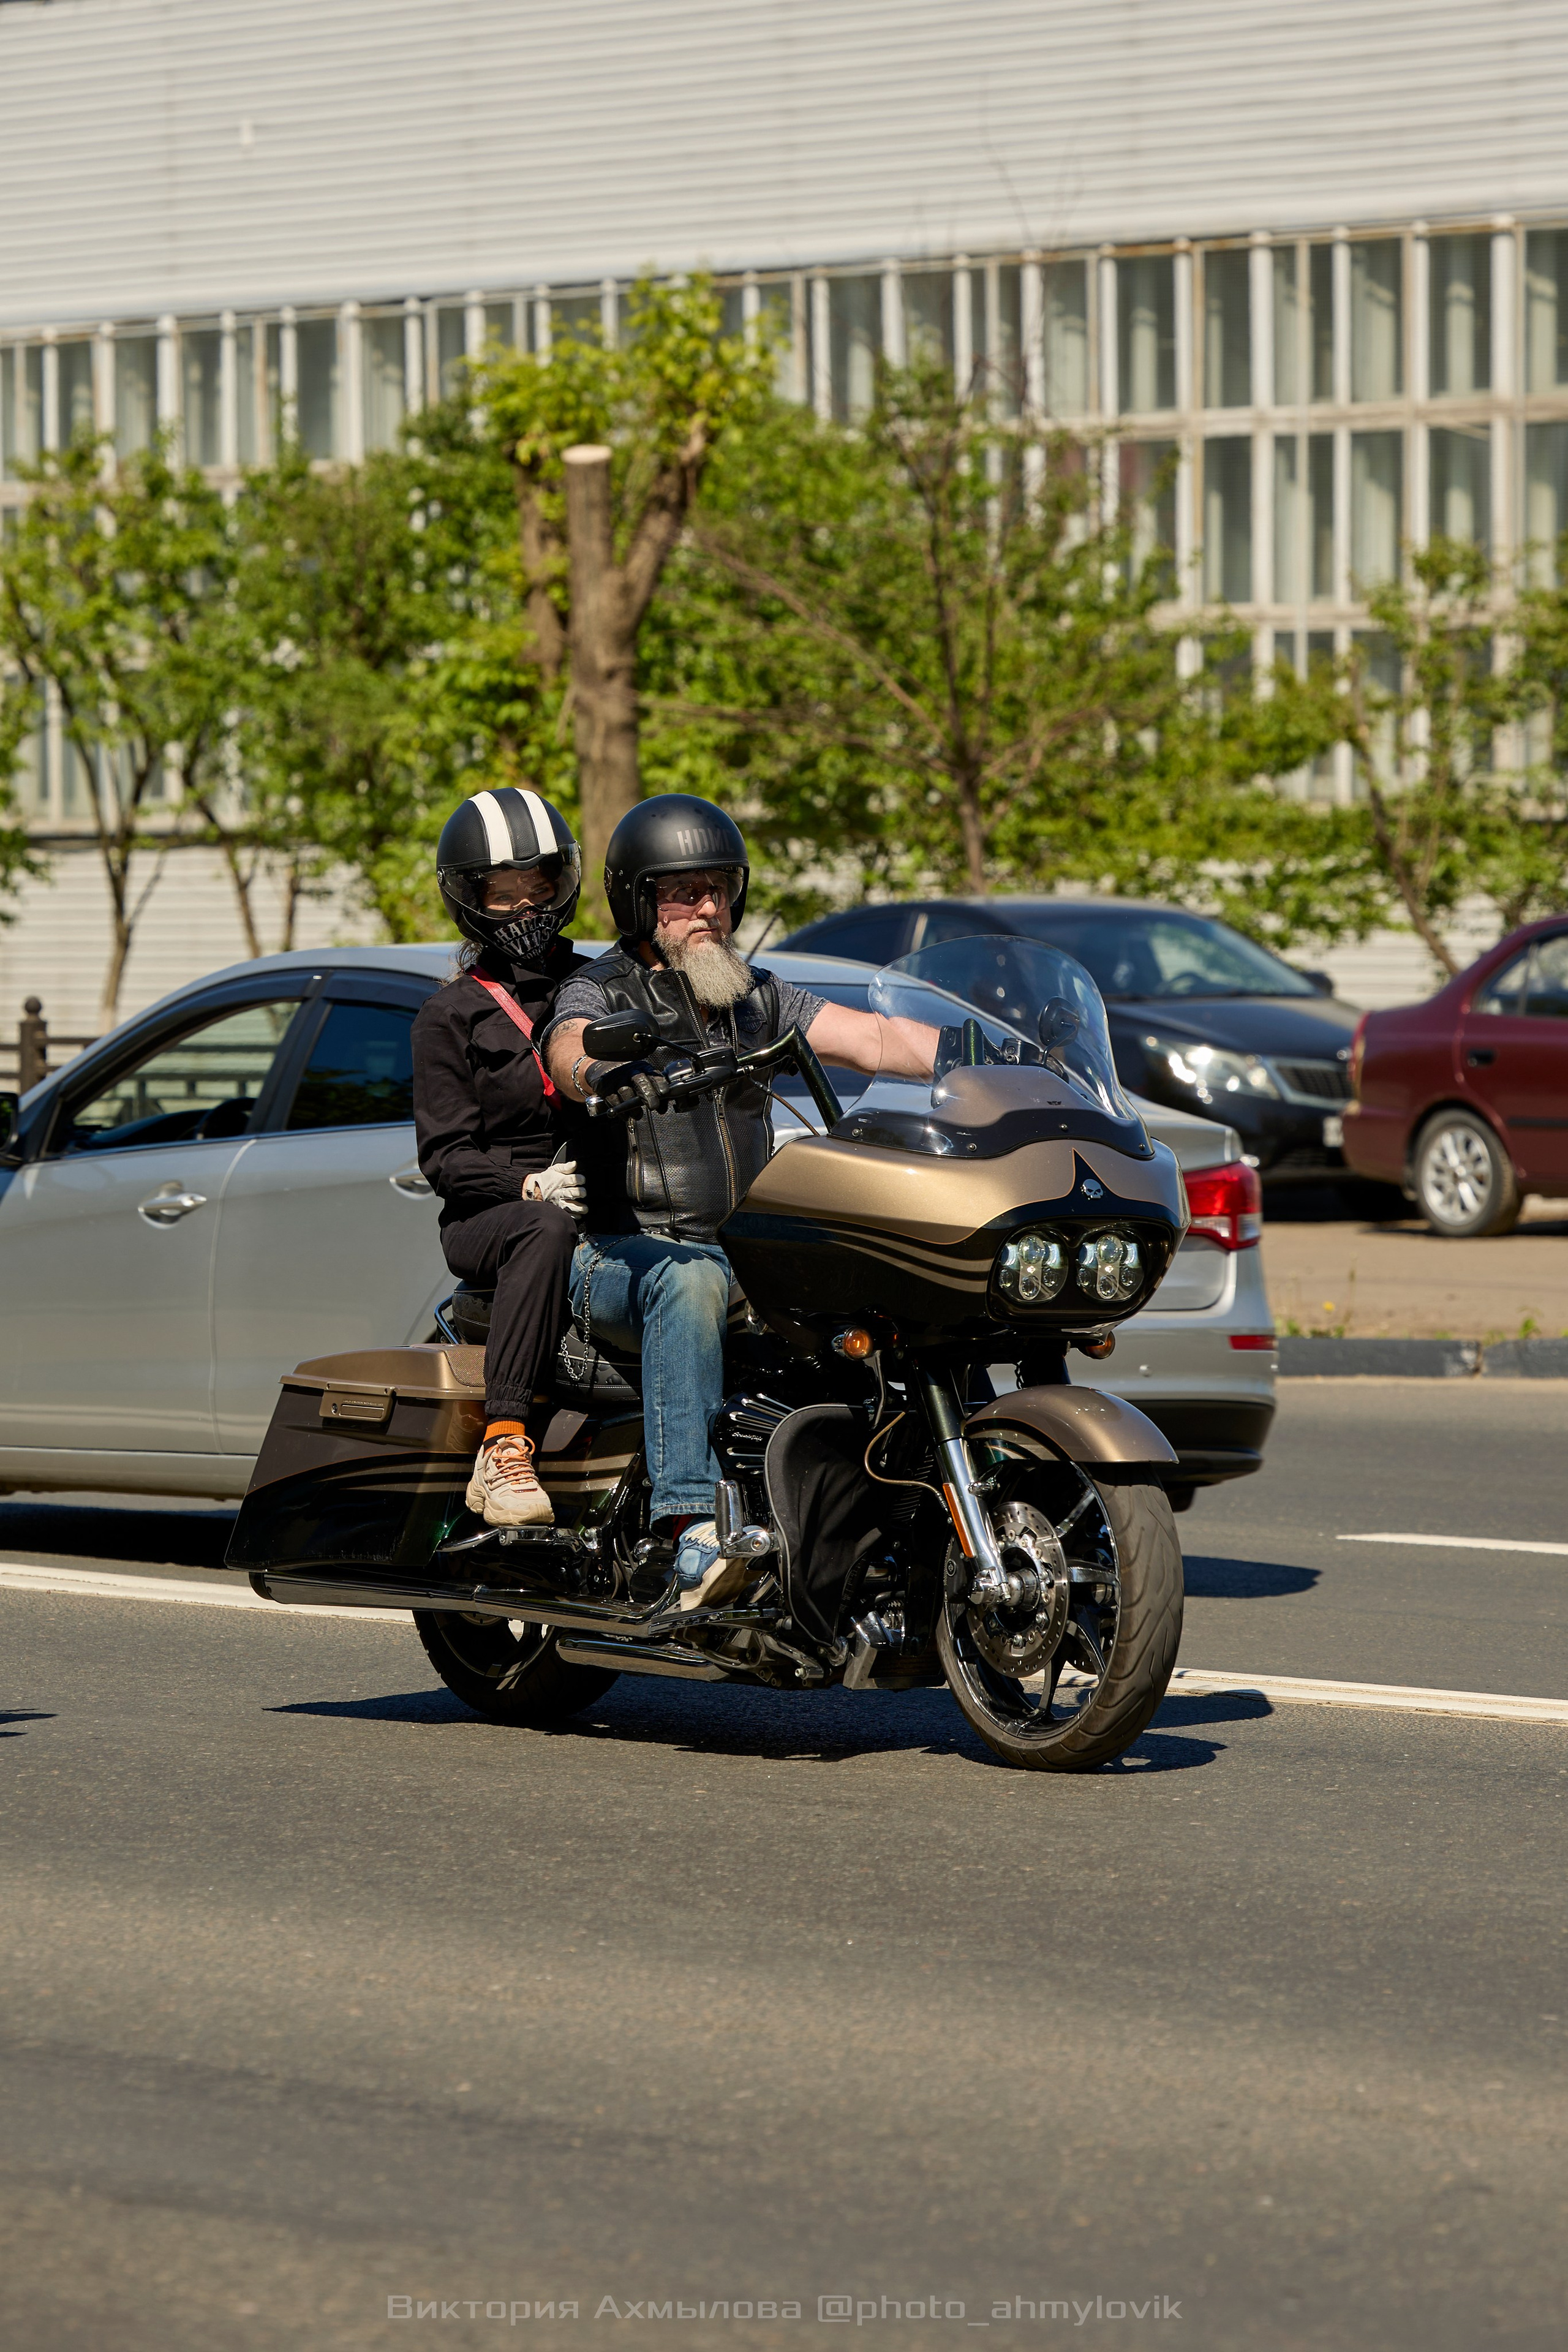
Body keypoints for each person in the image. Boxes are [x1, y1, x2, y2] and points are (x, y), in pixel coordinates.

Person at [541, 793, 936, 1608]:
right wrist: (604, 1073)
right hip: (618, 1257)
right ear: (638, 901)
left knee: (879, 1279)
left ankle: (901, 1517)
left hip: (739, 1256)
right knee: (689, 1278)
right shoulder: (600, 990)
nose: (709, 909)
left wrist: (992, 1053)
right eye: (686, 893)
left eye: (720, 889)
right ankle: (690, 1529)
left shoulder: (754, 997)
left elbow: (873, 1038)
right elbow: (566, 1047)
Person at [413, 785, 590, 1529]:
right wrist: (528, 1185)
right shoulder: (449, 1014)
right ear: (471, 900)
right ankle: (504, 1442)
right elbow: (444, 1159)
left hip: (596, 1199)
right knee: (543, 1228)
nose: (525, 907)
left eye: (538, 888)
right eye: (503, 893)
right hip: (491, 1219)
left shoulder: (597, 985)